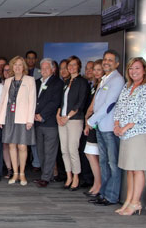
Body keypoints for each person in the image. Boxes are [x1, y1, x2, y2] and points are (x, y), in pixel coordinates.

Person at [114, 57, 146, 216]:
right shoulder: (127, 86)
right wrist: (117, 125)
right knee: (129, 169)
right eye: (131, 68)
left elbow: (144, 112)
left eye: (137, 68)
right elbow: (118, 107)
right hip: (124, 134)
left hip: (139, 132)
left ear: (144, 70)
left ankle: (136, 202)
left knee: (138, 169)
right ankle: (128, 200)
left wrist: (126, 127)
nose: (134, 71)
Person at [87, 50, 124, 206]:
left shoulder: (117, 80)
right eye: (105, 59)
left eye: (110, 60)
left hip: (109, 127)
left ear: (117, 63)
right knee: (104, 162)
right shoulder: (104, 79)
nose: (106, 62)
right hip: (101, 127)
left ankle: (111, 196)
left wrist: (91, 120)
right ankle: (103, 193)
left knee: (112, 164)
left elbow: (109, 105)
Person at [0, 56, 37, 186]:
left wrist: (30, 120)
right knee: (11, 145)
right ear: (12, 67)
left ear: (23, 67)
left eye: (20, 65)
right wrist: (0, 118)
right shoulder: (8, 81)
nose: (18, 67)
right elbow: (3, 101)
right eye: (15, 65)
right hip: (9, 116)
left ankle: (22, 173)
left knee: (22, 146)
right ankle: (14, 173)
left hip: (23, 117)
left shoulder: (30, 80)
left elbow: (32, 101)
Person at [57, 56, 90, 190]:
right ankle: (69, 176)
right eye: (69, 65)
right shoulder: (66, 82)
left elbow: (80, 103)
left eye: (74, 65)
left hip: (74, 120)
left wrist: (68, 116)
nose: (71, 67)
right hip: (62, 119)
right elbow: (61, 102)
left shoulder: (82, 82)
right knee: (64, 150)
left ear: (78, 66)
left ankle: (76, 177)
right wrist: (58, 115)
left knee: (72, 149)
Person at [33, 58, 64, 187]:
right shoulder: (36, 82)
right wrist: (34, 115)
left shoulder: (58, 83)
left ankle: (46, 177)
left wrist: (42, 115)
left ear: (53, 69)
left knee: (49, 151)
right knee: (40, 151)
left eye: (47, 68)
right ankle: (47, 175)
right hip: (37, 122)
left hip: (49, 122)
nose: (44, 71)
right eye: (42, 68)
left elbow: (55, 102)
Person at [83, 59, 104, 198]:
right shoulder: (95, 84)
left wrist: (87, 119)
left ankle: (99, 184)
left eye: (98, 69)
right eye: (94, 69)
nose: (95, 72)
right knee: (90, 154)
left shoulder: (103, 84)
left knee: (94, 155)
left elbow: (93, 107)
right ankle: (97, 183)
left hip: (97, 123)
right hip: (92, 123)